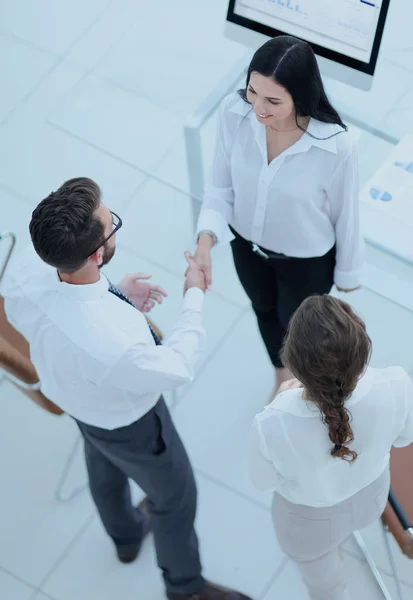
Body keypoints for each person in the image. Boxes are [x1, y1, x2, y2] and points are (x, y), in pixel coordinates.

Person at [3, 177, 252, 600]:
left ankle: (125, 539)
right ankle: (185, 587)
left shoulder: (25, 268)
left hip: (78, 401)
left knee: (103, 464)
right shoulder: (117, 342)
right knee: (176, 498)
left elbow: (69, 307)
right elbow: (176, 366)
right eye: (110, 223)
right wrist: (193, 295)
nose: (112, 221)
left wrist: (113, 293)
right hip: (130, 421)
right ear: (97, 253)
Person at [194, 35, 364, 400]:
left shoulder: (336, 146)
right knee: (263, 311)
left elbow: (347, 214)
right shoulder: (233, 113)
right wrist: (205, 243)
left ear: (300, 97)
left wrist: (348, 272)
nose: (258, 108)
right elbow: (220, 188)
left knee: (300, 331)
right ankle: (282, 378)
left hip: (306, 262)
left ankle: (305, 383)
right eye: (253, 91)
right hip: (247, 247)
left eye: (273, 101)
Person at [249, 295, 413, 600]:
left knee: (326, 588)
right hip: (371, 498)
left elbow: (264, 482)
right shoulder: (396, 383)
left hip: (308, 523)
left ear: (294, 367)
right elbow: (405, 438)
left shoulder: (272, 422)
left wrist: (282, 400)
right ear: (363, 347)